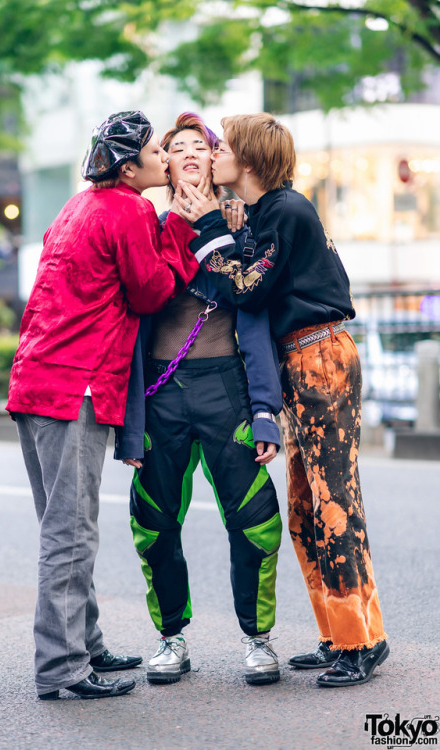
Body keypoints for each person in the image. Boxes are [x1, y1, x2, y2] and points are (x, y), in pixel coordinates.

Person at [177, 112, 389, 688]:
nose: (213, 155)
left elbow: (246, 288)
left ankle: (361, 641)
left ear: (247, 162)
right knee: (305, 510)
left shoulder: (287, 211)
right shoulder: (269, 212)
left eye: (223, 149)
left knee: (332, 501)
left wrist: (206, 227)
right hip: (303, 362)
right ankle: (339, 634)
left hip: (320, 359)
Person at [6, 111, 200, 700]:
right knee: (71, 532)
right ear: (128, 166)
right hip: (76, 386)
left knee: (62, 524)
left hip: (37, 380)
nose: (165, 158)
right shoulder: (130, 210)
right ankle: (62, 668)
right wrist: (181, 230)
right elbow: (150, 292)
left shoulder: (76, 206)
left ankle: (83, 644)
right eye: (154, 151)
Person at [116, 113, 283, 687]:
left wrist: (265, 409)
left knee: (256, 520)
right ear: (163, 165)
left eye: (199, 145)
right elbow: (129, 325)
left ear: (215, 159)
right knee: (153, 522)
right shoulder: (147, 227)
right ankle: (170, 639)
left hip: (225, 390)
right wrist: (129, 420)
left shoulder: (243, 228)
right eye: (175, 147)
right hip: (162, 392)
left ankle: (258, 639)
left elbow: (255, 322)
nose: (187, 153)